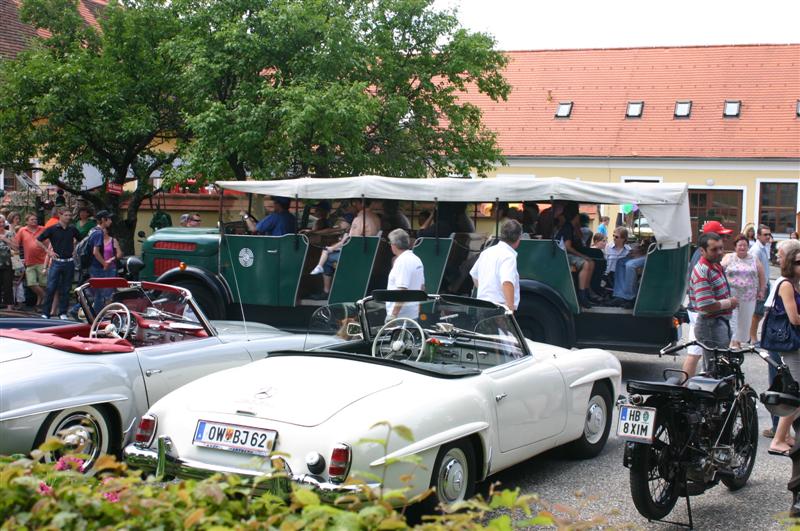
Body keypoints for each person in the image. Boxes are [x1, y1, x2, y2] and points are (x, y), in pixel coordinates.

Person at [681, 232, 738, 377]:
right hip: (710, 324)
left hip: (718, 322)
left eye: (721, 248)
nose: (719, 252)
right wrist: (729, 303)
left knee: (719, 367)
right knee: (714, 371)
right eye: (714, 249)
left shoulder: (715, 265)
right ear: (702, 250)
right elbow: (705, 306)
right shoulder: (702, 271)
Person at [762, 239, 800, 439]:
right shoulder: (785, 284)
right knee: (790, 392)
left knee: (792, 392)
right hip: (786, 342)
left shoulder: (795, 284)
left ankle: (782, 434)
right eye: (798, 262)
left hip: (792, 342)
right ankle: (779, 436)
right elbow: (793, 318)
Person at [309, 199, 380, 299]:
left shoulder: (359, 219)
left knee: (327, 259)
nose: (354, 205)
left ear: (361, 203)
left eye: (355, 203)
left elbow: (351, 241)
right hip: (366, 253)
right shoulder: (375, 217)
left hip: (355, 255)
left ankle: (326, 292)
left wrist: (335, 247)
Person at [721, 234, 766, 347]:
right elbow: (719, 271)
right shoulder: (728, 257)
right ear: (735, 247)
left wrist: (761, 290)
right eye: (740, 245)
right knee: (732, 319)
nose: (742, 247)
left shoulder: (753, 258)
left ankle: (738, 341)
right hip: (731, 296)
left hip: (749, 296)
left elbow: (762, 275)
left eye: (745, 245)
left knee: (744, 321)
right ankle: (733, 342)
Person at [37, 208, 80, 319]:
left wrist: (75, 248)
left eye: (70, 215)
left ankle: (63, 313)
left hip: (69, 262)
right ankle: (46, 313)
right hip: (56, 262)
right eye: (66, 215)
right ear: (60, 215)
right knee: (51, 288)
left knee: (66, 289)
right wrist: (48, 251)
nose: (69, 217)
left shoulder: (72, 229)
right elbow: (38, 240)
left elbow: (81, 240)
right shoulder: (52, 229)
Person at [469, 219, 522, 311]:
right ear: (519, 238)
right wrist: (510, 309)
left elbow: (474, 275)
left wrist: (487, 292)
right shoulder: (509, 256)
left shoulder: (487, 252)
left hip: (482, 305)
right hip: (498, 308)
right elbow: (507, 282)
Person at [556, 203, 597, 309]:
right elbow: (568, 247)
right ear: (576, 216)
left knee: (591, 262)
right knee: (586, 263)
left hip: (564, 254)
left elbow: (580, 239)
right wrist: (583, 256)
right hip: (562, 255)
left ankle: (587, 292)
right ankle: (582, 295)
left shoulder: (571, 226)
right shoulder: (568, 227)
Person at [385, 229, 425, 321]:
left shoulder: (402, 261)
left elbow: (402, 290)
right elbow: (422, 287)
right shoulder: (416, 259)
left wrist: (393, 315)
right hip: (412, 315)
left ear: (394, 244)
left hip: (400, 317)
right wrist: (417, 310)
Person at [88, 210, 123, 312]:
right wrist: (105, 263)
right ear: (103, 219)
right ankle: (94, 315)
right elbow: (95, 252)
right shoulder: (99, 232)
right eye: (109, 219)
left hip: (95, 266)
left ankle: (96, 315)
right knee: (100, 293)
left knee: (99, 293)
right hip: (99, 267)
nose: (111, 221)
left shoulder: (92, 231)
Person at [15, 213, 47, 309]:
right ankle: (46, 298)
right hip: (29, 261)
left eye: (35, 219)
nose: (35, 221)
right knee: (31, 283)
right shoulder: (22, 230)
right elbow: (16, 244)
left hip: (42, 260)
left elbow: (49, 243)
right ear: (27, 221)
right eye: (32, 219)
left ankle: (39, 305)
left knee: (42, 284)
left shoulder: (42, 229)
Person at [749, 224, 773, 344]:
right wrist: (760, 288)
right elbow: (753, 270)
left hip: (765, 285)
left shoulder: (763, 247)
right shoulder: (756, 250)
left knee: (759, 313)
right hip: (759, 286)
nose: (768, 237)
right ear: (758, 236)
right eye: (765, 234)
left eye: (769, 234)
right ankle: (753, 338)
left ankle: (751, 336)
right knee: (757, 313)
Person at [0, 215, 18, 309]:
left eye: (3, 222)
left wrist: (6, 240)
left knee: (8, 285)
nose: (1, 224)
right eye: (0, 222)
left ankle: (9, 307)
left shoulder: (9, 233)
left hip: (8, 263)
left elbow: (16, 248)